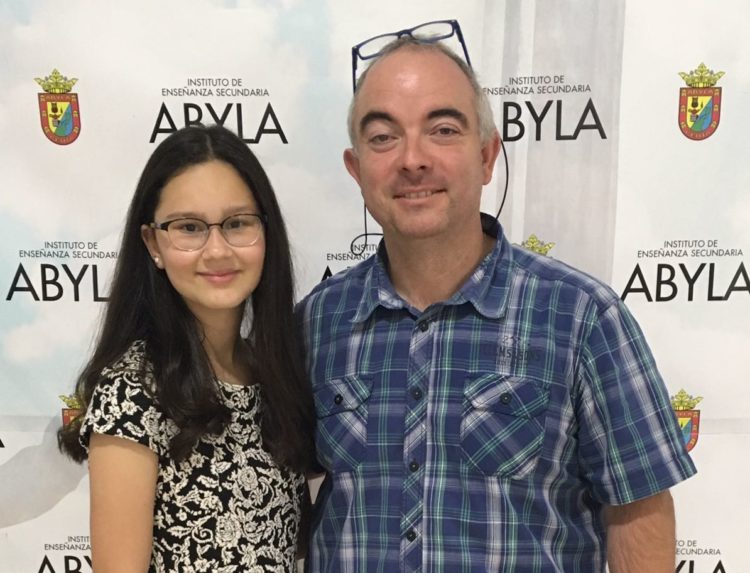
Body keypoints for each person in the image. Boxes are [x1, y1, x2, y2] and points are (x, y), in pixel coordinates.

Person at [297, 36, 697, 572]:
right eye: (383, 137)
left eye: (443, 130)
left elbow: (638, 510)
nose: (413, 160)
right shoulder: (316, 323)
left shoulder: (582, 317)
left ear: (487, 156)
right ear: (356, 168)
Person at [57, 124, 315, 572]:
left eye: (237, 223)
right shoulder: (134, 390)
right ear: (152, 243)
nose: (217, 250)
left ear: (266, 231)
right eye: (189, 228)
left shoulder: (272, 375)